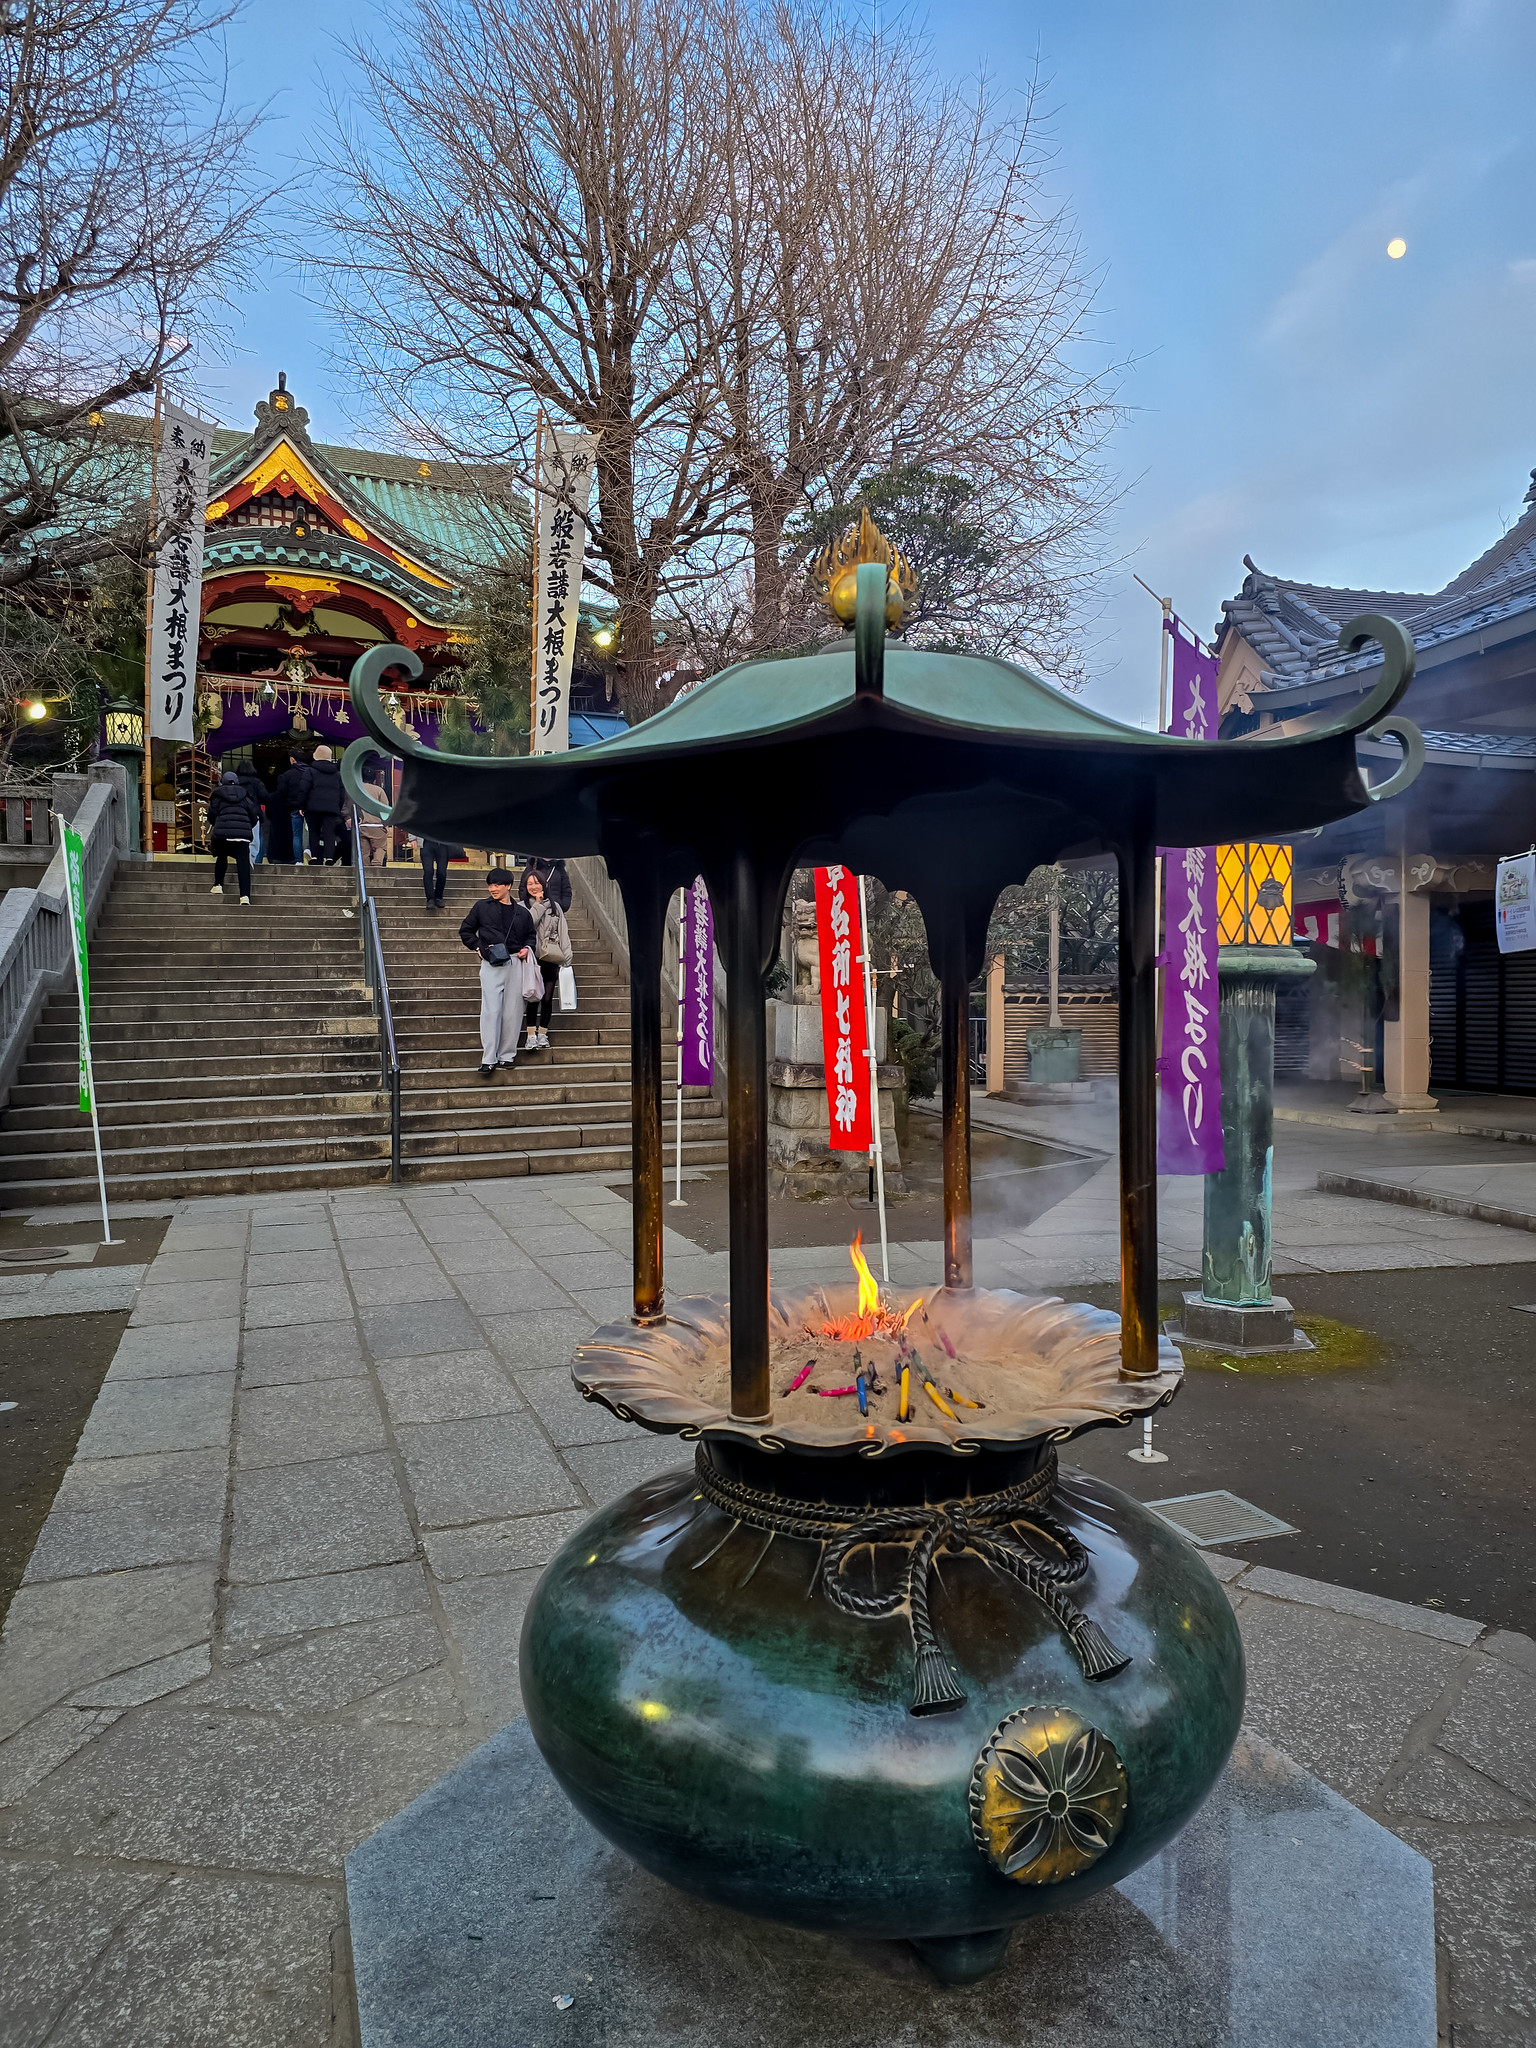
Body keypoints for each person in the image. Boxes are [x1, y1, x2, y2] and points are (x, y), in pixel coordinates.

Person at [459, 869, 536, 1076]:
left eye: (497, 885)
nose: (492, 888)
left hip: (515, 962)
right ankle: (489, 1058)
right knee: (491, 1011)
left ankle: (507, 1056)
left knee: (513, 1011)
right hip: (491, 961)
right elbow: (465, 930)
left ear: (508, 886)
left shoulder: (522, 913)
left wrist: (527, 949)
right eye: (490, 885)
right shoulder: (481, 907)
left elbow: (531, 935)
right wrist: (478, 947)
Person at [521, 868, 571, 1053]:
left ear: (544, 884)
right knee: (533, 996)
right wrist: (539, 905)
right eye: (530, 884)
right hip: (532, 958)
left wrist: (567, 957)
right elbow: (529, 923)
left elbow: (563, 932)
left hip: (551, 956)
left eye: (537, 883)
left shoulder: (556, 907)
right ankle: (530, 1035)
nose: (534, 886)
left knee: (548, 998)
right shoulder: (522, 906)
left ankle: (543, 1033)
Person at [205, 768, 259, 904]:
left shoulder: (217, 795)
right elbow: (253, 816)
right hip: (242, 835)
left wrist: (217, 823)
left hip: (223, 833)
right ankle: (245, 896)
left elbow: (211, 815)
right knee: (243, 864)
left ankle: (218, 885)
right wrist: (245, 827)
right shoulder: (245, 796)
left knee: (222, 857)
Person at [304, 745, 345, 864]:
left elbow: (304, 789)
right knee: (329, 832)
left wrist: (302, 805)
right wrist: (338, 806)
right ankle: (329, 857)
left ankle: (315, 857)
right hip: (331, 808)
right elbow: (341, 794)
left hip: (312, 807)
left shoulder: (310, 772)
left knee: (313, 832)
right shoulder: (337, 775)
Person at [270, 752, 312, 866]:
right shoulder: (311, 773)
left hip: (294, 807)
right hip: (310, 807)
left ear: (293, 760)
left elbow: (281, 793)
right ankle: (309, 850)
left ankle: (298, 860)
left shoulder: (287, 775)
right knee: (311, 831)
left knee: (296, 834)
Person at [413, 834, 463, 912]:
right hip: (426, 842)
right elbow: (413, 822)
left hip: (442, 843)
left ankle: (438, 897)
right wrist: (413, 838)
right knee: (428, 871)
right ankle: (430, 899)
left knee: (442, 872)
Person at [235, 759, 269, 865]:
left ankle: (241, 859)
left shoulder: (235, 782)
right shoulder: (256, 782)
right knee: (256, 839)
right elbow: (265, 797)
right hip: (254, 814)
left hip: (238, 813)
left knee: (239, 838)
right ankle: (256, 860)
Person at [356, 773, 391, 866]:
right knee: (380, 847)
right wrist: (386, 824)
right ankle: (376, 865)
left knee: (364, 852)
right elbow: (385, 809)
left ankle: (365, 872)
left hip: (362, 825)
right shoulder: (379, 790)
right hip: (377, 825)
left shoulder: (357, 789)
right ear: (374, 779)